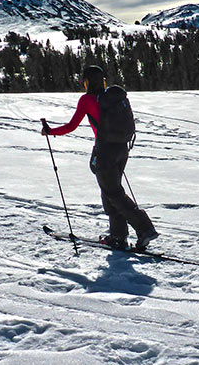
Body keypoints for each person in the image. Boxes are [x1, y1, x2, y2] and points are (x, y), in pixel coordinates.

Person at [42, 65, 158, 250]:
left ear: (86, 81)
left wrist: (50, 132)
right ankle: (118, 236)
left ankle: (145, 228)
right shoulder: (112, 97)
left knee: (113, 194)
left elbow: (72, 126)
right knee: (110, 192)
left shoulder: (87, 100)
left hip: (105, 152)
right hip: (122, 149)